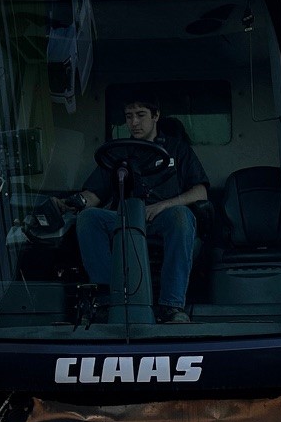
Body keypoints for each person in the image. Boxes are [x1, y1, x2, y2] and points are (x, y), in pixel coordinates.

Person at [71, 95, 208, 323]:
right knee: (89, 218)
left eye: (140, 115)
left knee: (182, 216)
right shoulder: (117, 153)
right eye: (128, 116)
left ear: (156, 116)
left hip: (163, 218)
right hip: (125, 218)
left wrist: (163, 205)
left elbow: (200, 191)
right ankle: (107, 300)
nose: (134, 122)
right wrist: (71, 203)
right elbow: (93, 196)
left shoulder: (178, 149)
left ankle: (171, 306)